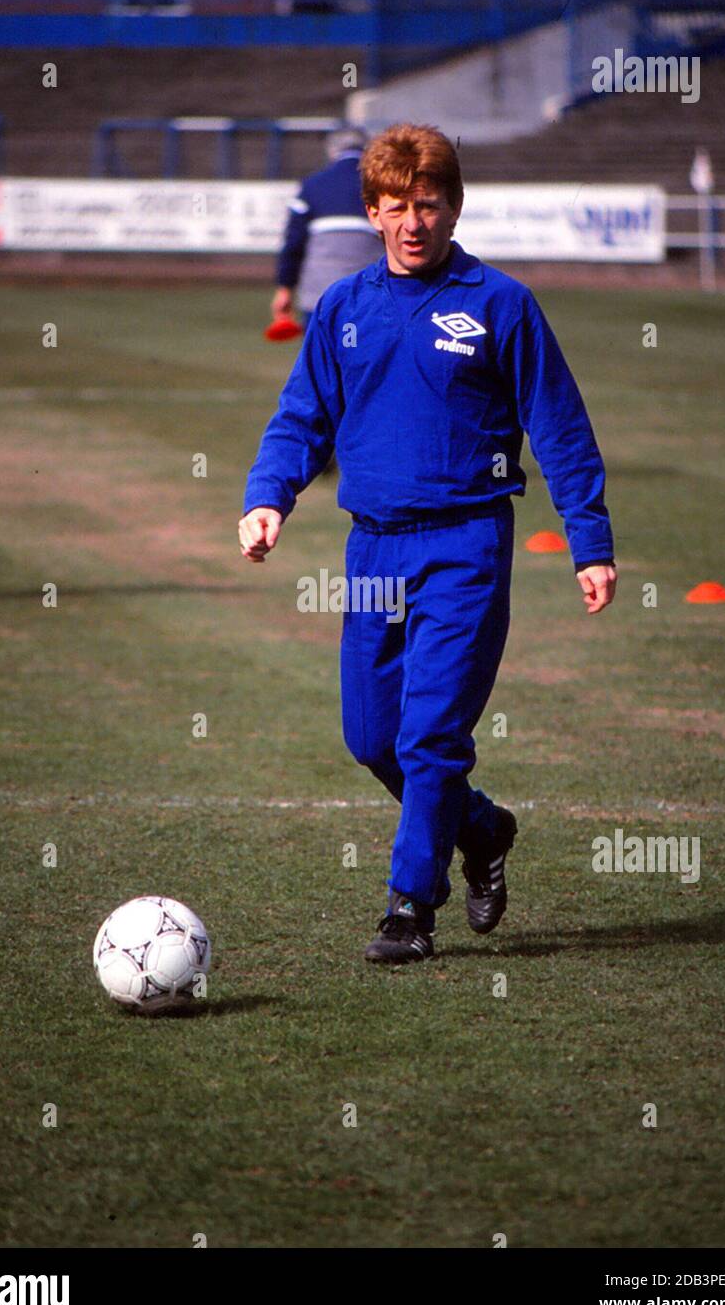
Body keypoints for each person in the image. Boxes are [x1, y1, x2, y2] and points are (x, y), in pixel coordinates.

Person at [240, 123, 617, 964]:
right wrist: (269, 496)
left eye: (431, 204)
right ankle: (481, 831)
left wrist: (590, 542)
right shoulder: (342, 308)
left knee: (429, 736)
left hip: (467, 545)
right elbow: (302, 417)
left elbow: (560, 428)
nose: (415, 221)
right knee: (371, 740)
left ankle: (410, 907)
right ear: (372, 210)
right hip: (373, 551)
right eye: (398, 206)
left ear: (453, 207)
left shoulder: (500, 304)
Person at [271, 126, 381, 330]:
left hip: (319, 293)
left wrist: (285, 288)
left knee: (321, 359)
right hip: (368, 294)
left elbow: (294, 242)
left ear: (332, 151)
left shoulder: (311, 185)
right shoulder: (381, 186)